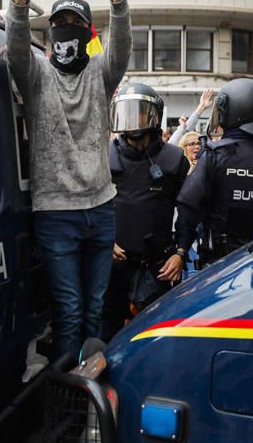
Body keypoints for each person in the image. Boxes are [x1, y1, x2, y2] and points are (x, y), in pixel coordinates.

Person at [5, 0, 132, 360]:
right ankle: (65, 402)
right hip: (56, 213)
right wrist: (19, 2)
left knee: (95, 312)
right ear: (50, 33)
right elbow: (16, 49)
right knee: (69, 312)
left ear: (87, 31)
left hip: (101, 209)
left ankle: (85, 394)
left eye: (75, 24)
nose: (66, 30)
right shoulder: (37, 74)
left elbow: (123, 49)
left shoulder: (100, 71)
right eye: (58, 24)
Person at [175, 78, 253, 265]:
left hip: (221, 264)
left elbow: (188, 209)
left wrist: (180, 251)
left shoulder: (214, 156)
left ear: (228, 110)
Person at [100, 83, 190, 340]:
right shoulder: (104, 158)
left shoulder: (174, 160)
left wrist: (180, 254)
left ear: (153, 116)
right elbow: (90, 210)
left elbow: (187, 213)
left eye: (138, 112)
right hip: (113, 269)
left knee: (158, 337)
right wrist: (104, 242)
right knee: (106, 334)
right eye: (125, 111)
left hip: (158, 267)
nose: (131, 119)